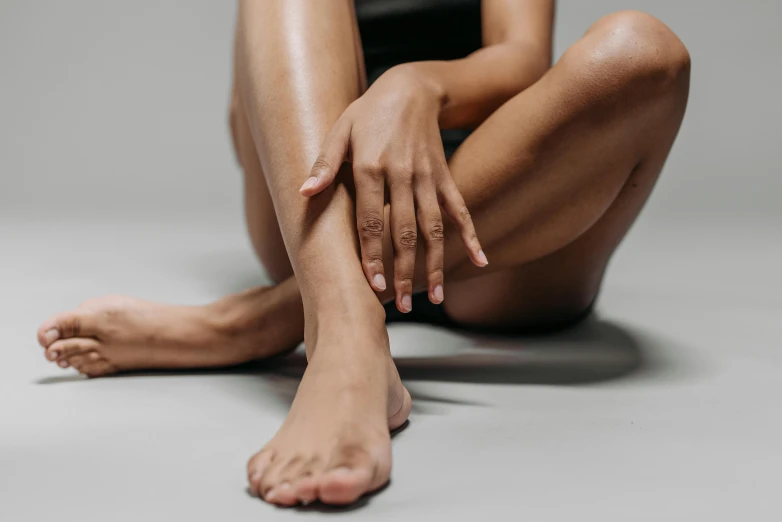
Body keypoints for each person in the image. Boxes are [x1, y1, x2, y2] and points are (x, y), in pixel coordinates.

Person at [35, 0, 689, 507]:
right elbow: (249, 109)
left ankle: (255, 322)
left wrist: (416, 86)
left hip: (497, 215)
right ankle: (343, 328)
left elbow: (520, 58)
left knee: (645, 52)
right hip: (326, 206)